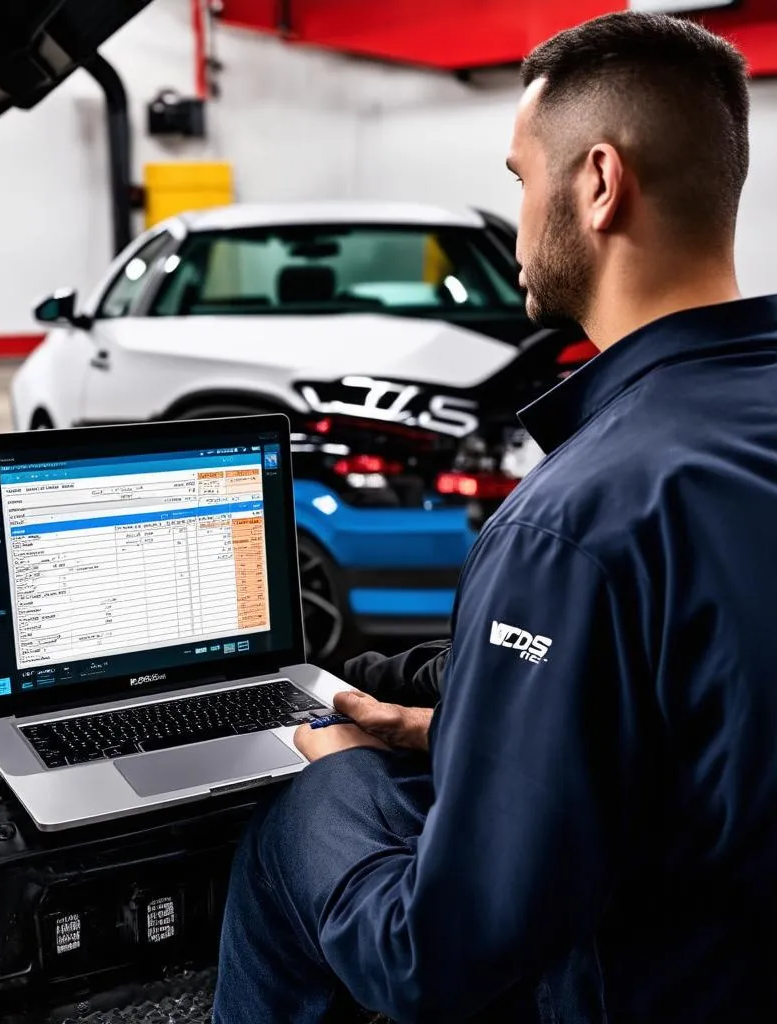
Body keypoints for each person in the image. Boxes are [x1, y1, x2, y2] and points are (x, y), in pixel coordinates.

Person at [213, 11, 777, 1023]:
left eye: (519, 178)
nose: (515, 217)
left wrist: (336, 779)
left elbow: (435, 964)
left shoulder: (573, 524)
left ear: (598, 184)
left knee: (305, 818)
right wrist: (460, 729)